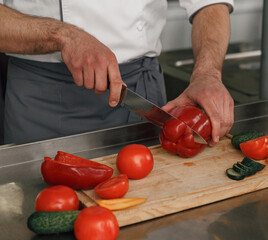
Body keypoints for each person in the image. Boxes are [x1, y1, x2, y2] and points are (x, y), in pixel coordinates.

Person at [0, 1, 234, 146]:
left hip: (136, 93)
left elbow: (210, 3)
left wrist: (207, 73)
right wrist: (63, 35)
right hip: (38, 99)